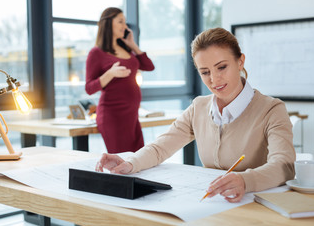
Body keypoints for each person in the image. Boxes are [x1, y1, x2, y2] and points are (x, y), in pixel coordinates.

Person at [95, 27, 296, 203]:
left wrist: (245, 180)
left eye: (222, 67)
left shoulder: (272, 109)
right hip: (212, 205)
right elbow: (160, 148)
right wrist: (130, 163)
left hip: (254, 206)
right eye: (205, 72)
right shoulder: (199, 107)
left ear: (240, 61)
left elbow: (284, 165)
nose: (214, 79)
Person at [85, 7, 155, 153]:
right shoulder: (96, 53)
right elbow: (89, 88)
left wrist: (133, 45)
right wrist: (110, 73)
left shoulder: (127, 50)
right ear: (108, 24)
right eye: (120, 22)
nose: (125, 26)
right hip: (113, 116)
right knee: (121, 164)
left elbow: (149, 66)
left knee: (138, 161)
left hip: (132, 116)